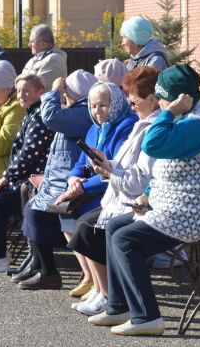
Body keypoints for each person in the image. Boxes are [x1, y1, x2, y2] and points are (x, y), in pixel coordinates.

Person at [88, 64, 200, 336]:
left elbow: (152, 145)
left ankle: (147, 318)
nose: (159, 102)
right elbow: (173, 171)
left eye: (162, 97)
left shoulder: (197, 125)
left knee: (125, 239)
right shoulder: (186, 119)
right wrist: (149, 194)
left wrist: (169, 111)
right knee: (114, 227)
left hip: (196, 213)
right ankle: (119, 306)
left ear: (178, 98)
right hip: (176, 205)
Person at [67, 66, 161, 315]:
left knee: (92, 228)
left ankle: (114, 298)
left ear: (151, 98)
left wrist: (105, 173)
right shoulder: (141, 123)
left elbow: (139, 179)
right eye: (94, 106)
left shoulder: (142, 126)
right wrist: (78, 178)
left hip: (132, 198)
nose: (131, 104)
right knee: (85, 224)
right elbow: (118, 167)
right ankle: (105, 293)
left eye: (134, 99)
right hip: (120, 194)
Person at [53, 82, 137, 302]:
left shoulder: (126, 127)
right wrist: (73, 179)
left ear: (116, 104)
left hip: (112, 192)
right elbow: (81, 162)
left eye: (103, 105)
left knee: (84, 223)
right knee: (65, 212)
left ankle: (104, 289)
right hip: (90, 190)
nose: (97, 112)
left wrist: (80, 188)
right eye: (92, 106)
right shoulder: (94, 129)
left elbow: (111, 172)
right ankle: (91, 278)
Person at [15, 70, 97, 290]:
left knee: (35, 212)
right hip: (58, 179)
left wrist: (53, 91)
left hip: (69, 182)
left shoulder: (83, 112)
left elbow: (50, 117)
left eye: (67, 89)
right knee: (31, 203)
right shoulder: (76, 110)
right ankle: (40, 265)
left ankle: (48, 272)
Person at [0, 72, 54, 273]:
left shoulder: (39, 116)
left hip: (35, 181)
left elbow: (28, 154)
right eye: (19, 91)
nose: (22, 95)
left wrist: (7, 177)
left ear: (40, 92)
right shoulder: (31, 112)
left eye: (27, 91)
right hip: (25, 178)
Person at [22, 24, 67, 90]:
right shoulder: (33, 60)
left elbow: (38, 87)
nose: (29, 45)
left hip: (47, 100)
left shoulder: (54, 59)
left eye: (32, 41)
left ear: (43, 43)